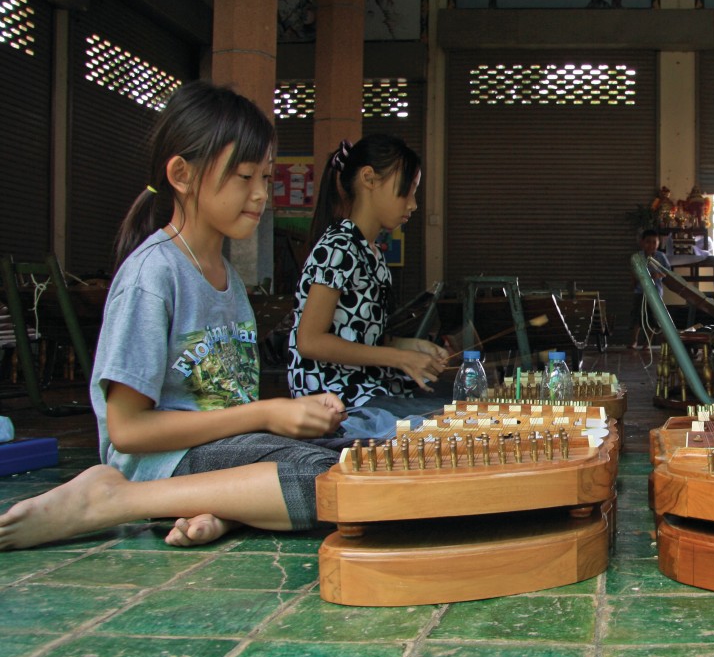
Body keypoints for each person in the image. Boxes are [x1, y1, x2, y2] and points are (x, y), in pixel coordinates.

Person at [0, 81, 347, 551]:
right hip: (160, 462)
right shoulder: (153, 275)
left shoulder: (224, 276)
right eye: (245, 177)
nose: (261, 195)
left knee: (361, 457)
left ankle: (222, 509)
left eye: (266, 178)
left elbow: (222, 406)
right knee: (331, 480)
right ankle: (111, 500)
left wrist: (292, 414)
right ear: (182, 175)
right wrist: (267, 412)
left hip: (218, 454)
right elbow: (127, 430)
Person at [288, 134, 447, 437]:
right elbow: (310, 341)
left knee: (459, 414)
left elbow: (358, 340)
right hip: (338, 404)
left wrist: (410, 347)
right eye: (407, 191)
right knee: (453, 424)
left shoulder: (370, 252)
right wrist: (398, 357)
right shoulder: (338, 247)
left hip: (368, 394)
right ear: (369, 179)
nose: (413, 204)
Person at [630, 228, 670, 348]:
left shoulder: (661, 257)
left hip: (655, 292)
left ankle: (647, 343)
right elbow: (633, 273)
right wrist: (634, 283)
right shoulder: (638, 257)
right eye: (648, 241)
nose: (651, 245)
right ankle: (634, 341)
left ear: (658, 243)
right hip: (640, 291)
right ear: (642, 242)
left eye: (654, 242)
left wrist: (657, 275)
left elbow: (666, 271)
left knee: (653, 318)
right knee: (637, 317)